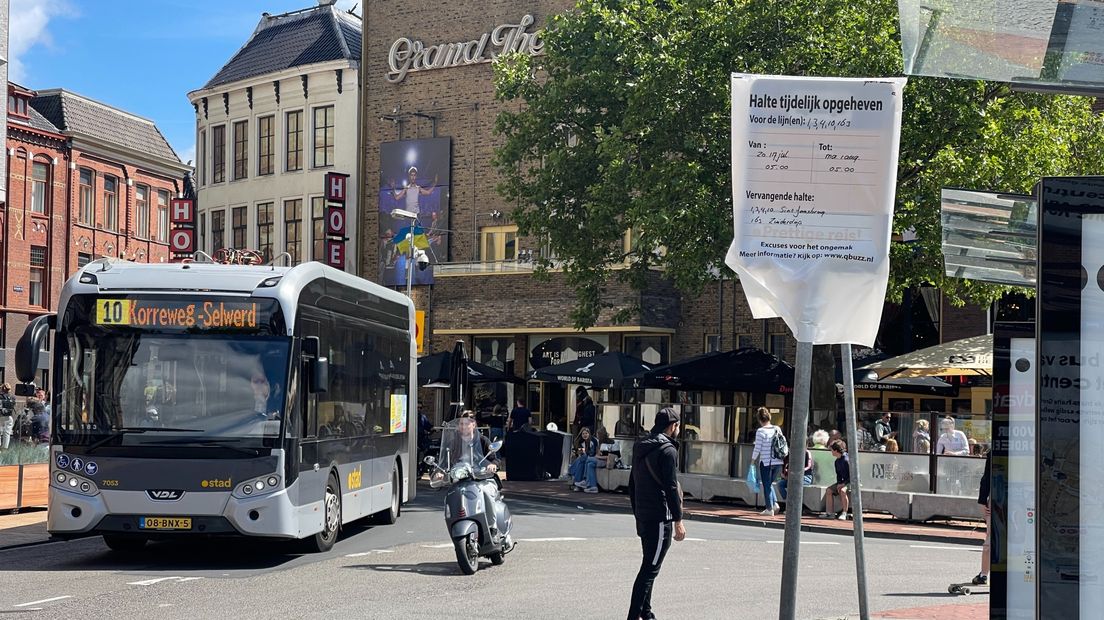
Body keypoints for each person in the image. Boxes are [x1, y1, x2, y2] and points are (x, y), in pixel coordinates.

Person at [627, 406, 685, 620]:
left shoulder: (640, 446)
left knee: (648, 563)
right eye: (678, 426)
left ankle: (646, 612)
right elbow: (670, 487)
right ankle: (634, 615)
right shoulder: (668, 450)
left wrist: (637, 512)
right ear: (673, 426)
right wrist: (678, 520)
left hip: (643, 514)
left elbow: (632, 482)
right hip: (660, 517)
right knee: (649, 569)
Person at [749, 407, 784, 516]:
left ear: (759, 420)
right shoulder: (777, 428)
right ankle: (774, 504)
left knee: (766, 485)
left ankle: (769, 509)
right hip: (778, 462)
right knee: (769, 484)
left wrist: (752, 461)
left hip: (766, 462)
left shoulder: (760, 431)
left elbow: (757, 448)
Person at [973, 452, 991, 586]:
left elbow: (986, 478)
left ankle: (984, 574)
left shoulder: (994, 451)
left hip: (998, 501)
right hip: (1022, 502)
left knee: (990, 539)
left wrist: (983, 501)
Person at [777, 446, 813, 512]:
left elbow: (809, 466)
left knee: (794, 484)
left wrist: (798, 472)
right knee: (780, 484)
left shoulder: (807, 453)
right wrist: (785, 475)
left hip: (805, 477)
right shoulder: (790, 454)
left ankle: (796, 508)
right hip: (792, 477)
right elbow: (785, 467)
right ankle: (789, 503)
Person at [823, 440, 851, 520]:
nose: (831, 452)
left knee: (842, 491)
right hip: (843, 482)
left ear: (835, 450)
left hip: (851, 482)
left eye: (831, 450)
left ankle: (844, 513)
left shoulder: (846, 460)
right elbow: (838, 475)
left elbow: (853, 476)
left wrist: (843, 484)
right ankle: (830, 513)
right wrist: (839, 483)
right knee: (829, 490)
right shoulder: (837, 461)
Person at [569, 427, 601, 493]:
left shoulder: (594, 441)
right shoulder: (580, 442)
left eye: (586, 433)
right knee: (582, 461)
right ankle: (580, 483)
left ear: (589, 434)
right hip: (585, 458)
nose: (585, 435)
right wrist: (581, 453)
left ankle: (577, 483)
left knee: (583, 460)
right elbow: (581, 454)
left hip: (594, 457)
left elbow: (593, 453)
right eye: (583, 434)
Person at [0, 383, 15, 450]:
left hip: (0, 416)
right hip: (9, 417)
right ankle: (5, 448)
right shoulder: (12, 397)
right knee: (7, 433)